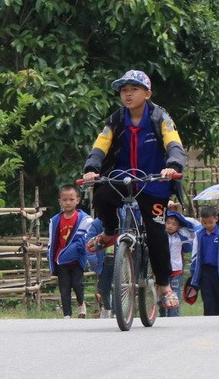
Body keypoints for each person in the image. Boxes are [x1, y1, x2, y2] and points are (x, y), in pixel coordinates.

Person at [82, 70, 187, 310]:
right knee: (101, 195)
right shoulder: (116, 119)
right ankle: (109, 233)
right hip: (121, 178)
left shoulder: (160, 117)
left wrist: (172, 166)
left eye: (134, 89)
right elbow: (101, 144)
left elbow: (173, 142)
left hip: (155, 182)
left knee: (157, 234)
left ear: (147, 93)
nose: (128, 94)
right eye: (123, 90)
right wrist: (91, 168)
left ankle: (163, 286)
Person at [48, 185, 92, 319]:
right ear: (59, 201)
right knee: (64, 287)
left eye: (71, 199)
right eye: (64, 199)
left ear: (77, 200)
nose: (68, 202)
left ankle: (80, 304)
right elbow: (52, 241)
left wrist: (77, 247)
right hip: (61, 258)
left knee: (77, 284)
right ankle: (67, 314)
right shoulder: (55, 221)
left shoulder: (85, 220)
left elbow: (88, 237)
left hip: (77, 258)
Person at [188, 206, 219, 316]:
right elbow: (194, 255)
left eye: (210, 222)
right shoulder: (199, 234)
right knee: (207, 300)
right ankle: (208, 322)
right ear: (201, 221)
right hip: (205, 272)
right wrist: (194, 271)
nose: (207, 225)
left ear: (216, 218)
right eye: (204, 223)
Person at [164, 211, 197, 317]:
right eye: (168, 223)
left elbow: (193, 231)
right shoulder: (160, 236)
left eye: (174, 224)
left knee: (175, 293)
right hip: (162, 270)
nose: (170, 226)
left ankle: (174, 316)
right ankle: (163, 316)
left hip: (176, 270)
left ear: (178, 227)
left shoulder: (181, 236)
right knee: (163, 294)